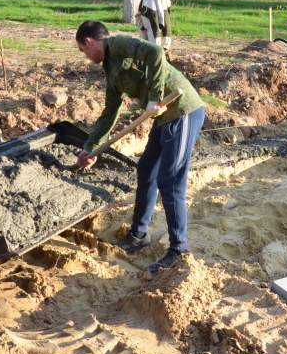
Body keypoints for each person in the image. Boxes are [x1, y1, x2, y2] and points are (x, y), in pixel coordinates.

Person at [75, 21, 205, 274]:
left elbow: (156, 53)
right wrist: (91, 146)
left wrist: (154, 98)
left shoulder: (118, 44)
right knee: (146, 170)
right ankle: (139, 235)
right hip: (162, 118)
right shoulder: (110, 68)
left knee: (171, 181)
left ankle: (179, 250)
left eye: (83, 50)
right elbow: (110, 112)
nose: (85, 56)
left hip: (182, 110)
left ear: (89, 41)